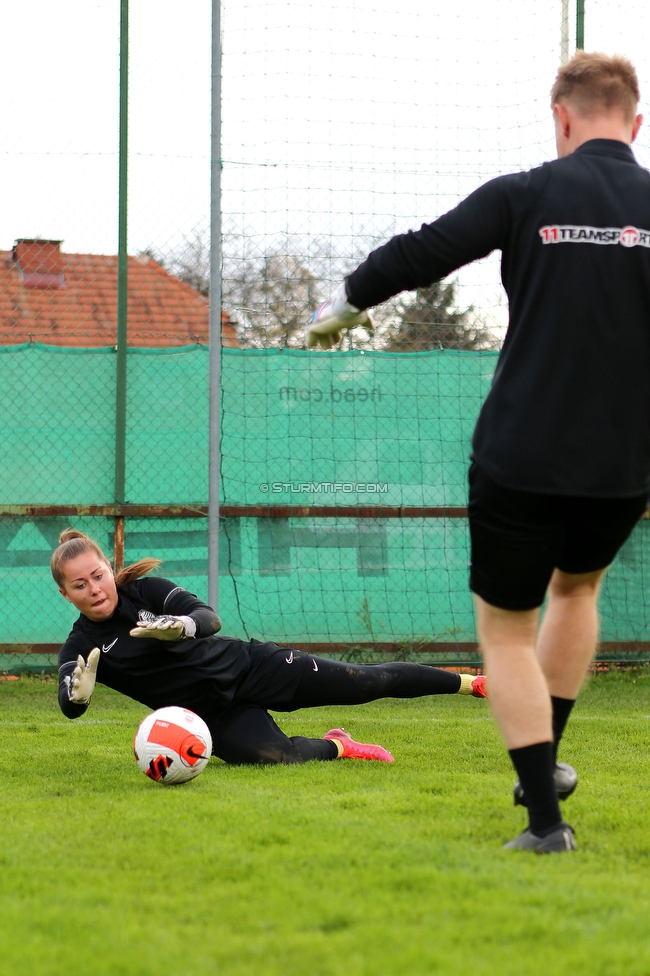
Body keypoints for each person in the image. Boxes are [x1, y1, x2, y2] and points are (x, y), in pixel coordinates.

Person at [309, 52, 650, 852]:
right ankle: (549, 761)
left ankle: (544, 822)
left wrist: (346, 301)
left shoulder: (525, 192)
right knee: (577, 593)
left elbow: (424, 249)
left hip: (521, 455)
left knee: (505, 630)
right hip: (622, 465)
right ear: (635, 124)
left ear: (560, 118)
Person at [52, 529, 487, 766]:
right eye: (79, 584)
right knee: (276, 757)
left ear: (109, 567)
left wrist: (181, 627)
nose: (94, 588)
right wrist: (78, 693)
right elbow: (69, 705)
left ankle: (475, 684)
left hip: (251, 667)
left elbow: (209, 619)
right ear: (65, 594)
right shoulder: (80, 645)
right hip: (213, 717)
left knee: (365, 683)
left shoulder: (147, 591)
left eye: (98, 574)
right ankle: (342, 745)